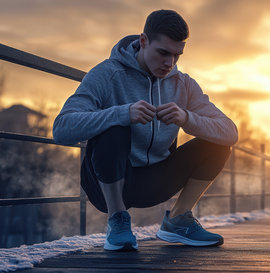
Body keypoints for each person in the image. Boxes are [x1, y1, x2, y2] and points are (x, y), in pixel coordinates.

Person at [53, 9, 238, 251]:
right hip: (106, 183)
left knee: (218, 143)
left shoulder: (184, 85)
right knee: (115, 126)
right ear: (143, 41)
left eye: (176, 55)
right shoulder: (107, 74)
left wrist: (186, 118)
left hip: (155, 181)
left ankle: (178, 221)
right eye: (163, 53)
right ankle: (117, 220)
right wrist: (122, 113)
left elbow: (230, 131)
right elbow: (61, 128)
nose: (169, 63)